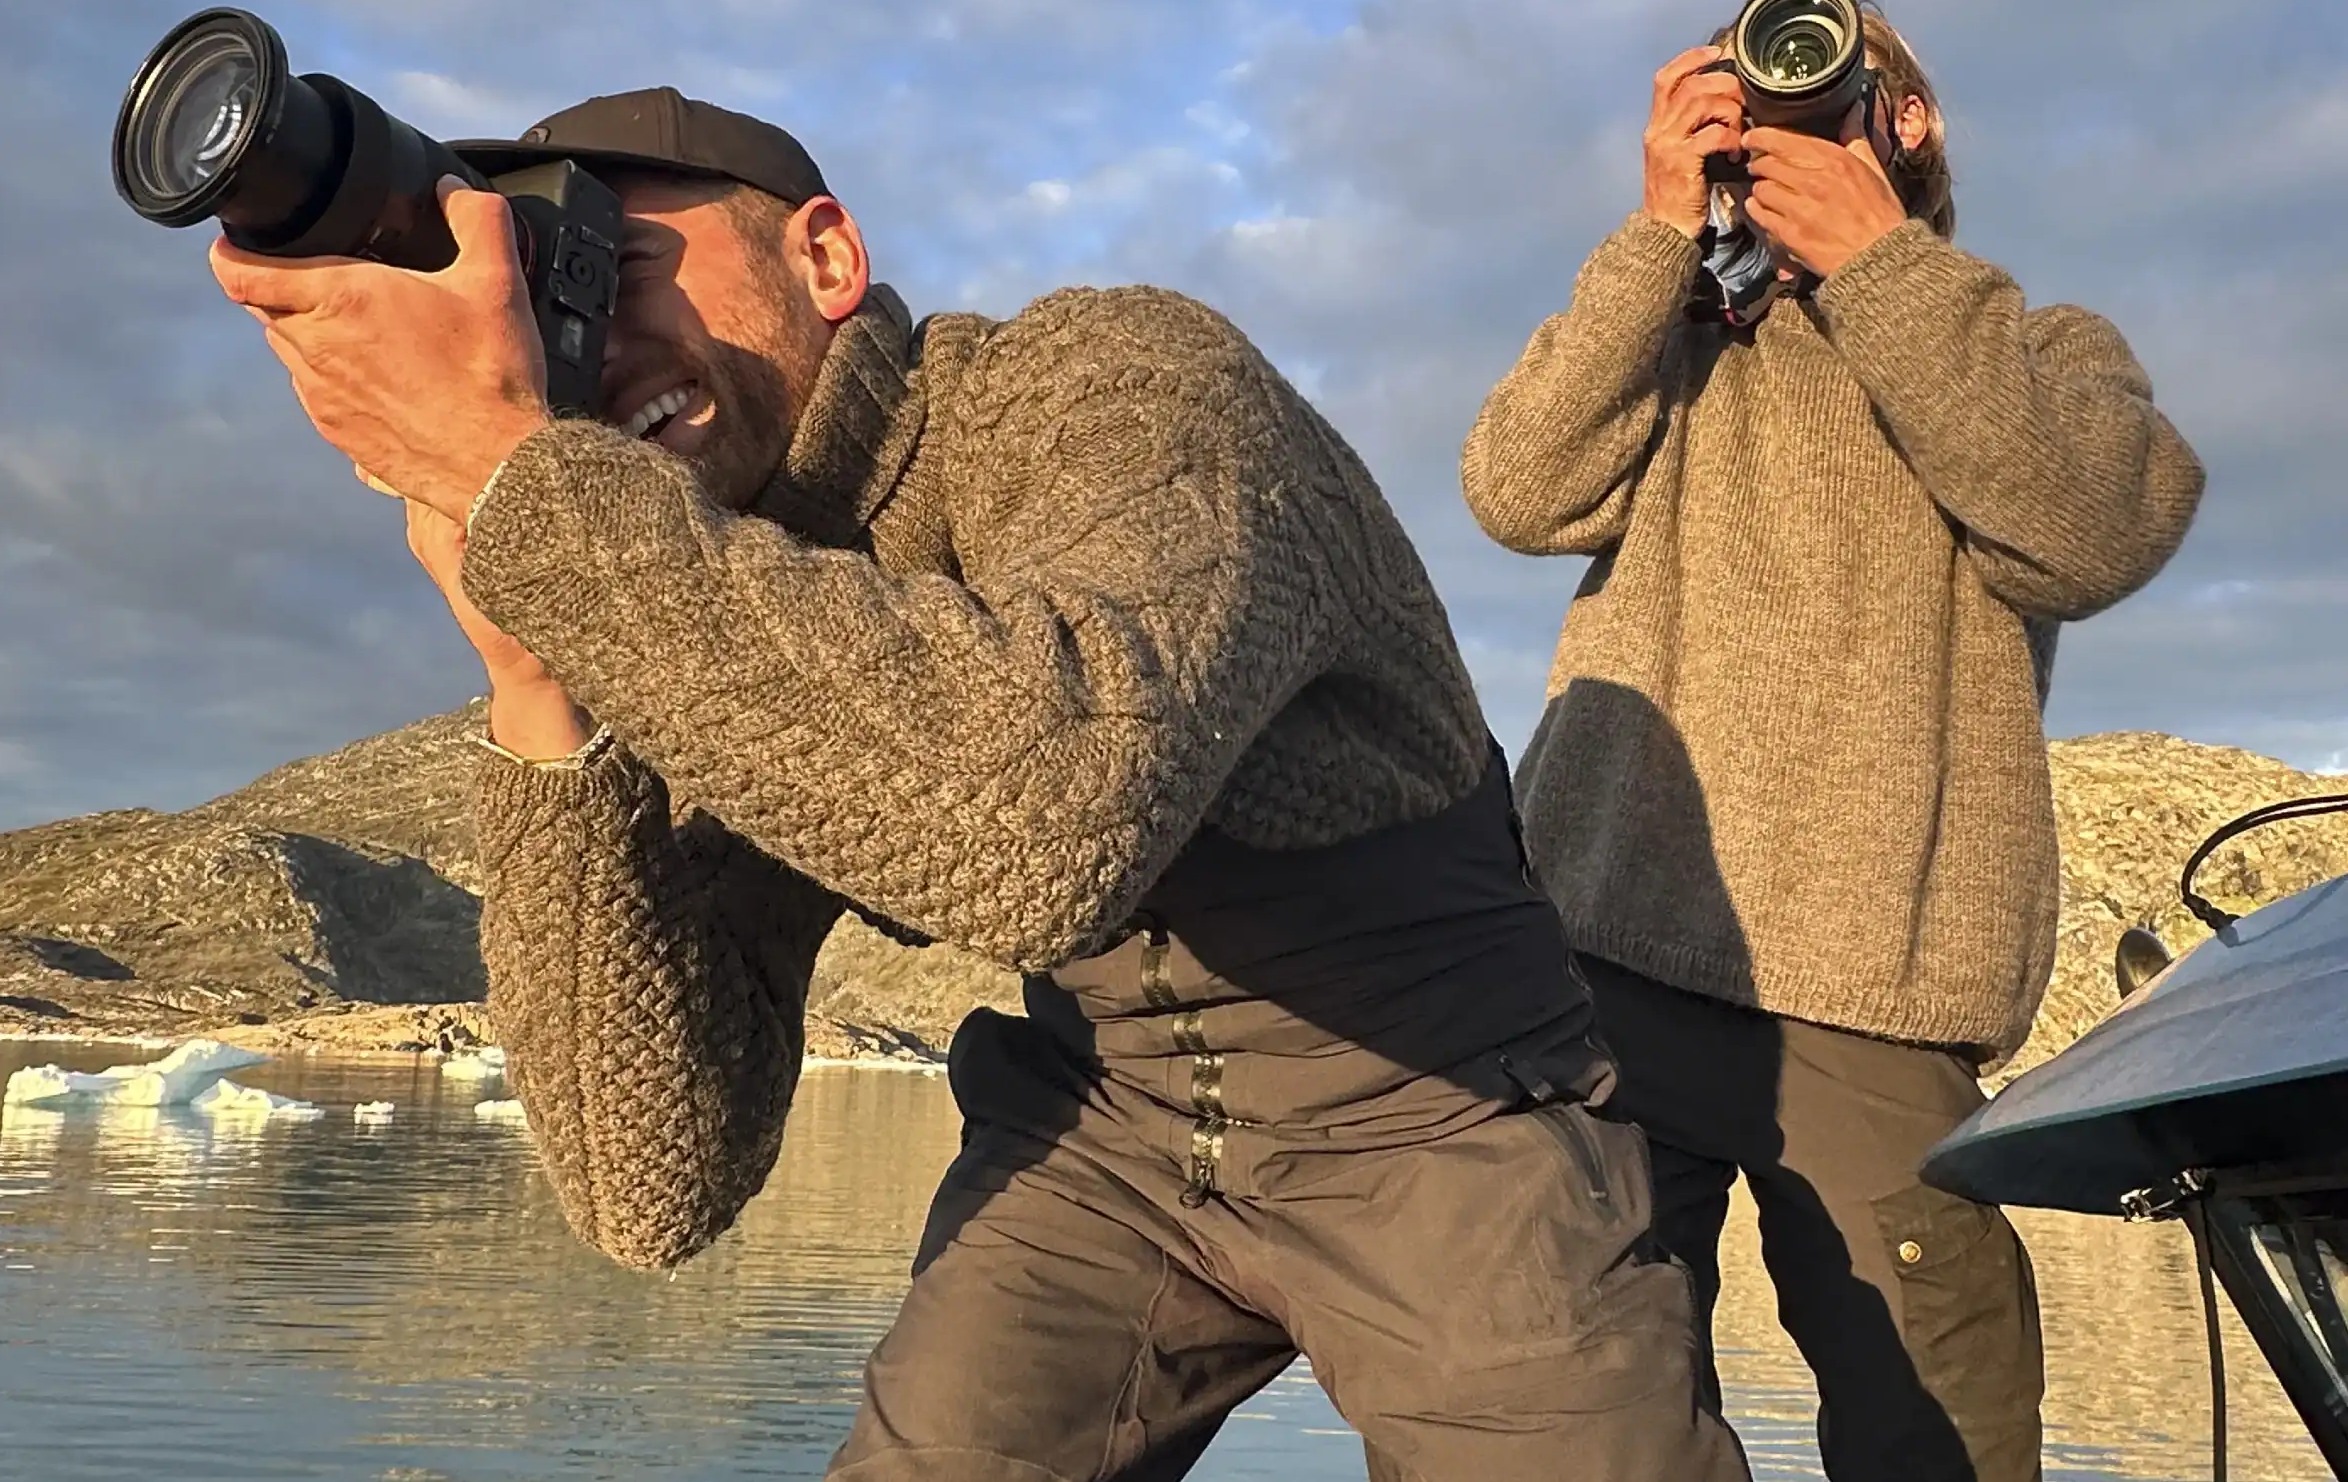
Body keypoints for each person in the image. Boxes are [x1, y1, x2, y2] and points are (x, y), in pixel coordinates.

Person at [206, 87, 1748, 1479]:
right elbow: (650, 1181)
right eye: (550, 316)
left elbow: (1041, 812)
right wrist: (536, 689)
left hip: (1444, 1111)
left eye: (618, 272)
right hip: (1112, 1128)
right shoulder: (713, 583)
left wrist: (523, 479)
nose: (589, 356)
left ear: (826, 259)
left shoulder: (1124, 379)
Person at [1460, 2, 2206, 1480]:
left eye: (1822, 84)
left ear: (1904, 120)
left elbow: (2099, 526)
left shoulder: (2039, 346)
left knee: (1939, 1440)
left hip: (1883, 990)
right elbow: (1516, 490)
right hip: (1599, 958)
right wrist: (1656, 232)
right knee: (1546, 1427)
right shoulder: (1665, 338)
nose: (1780, 123)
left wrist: (1880, 265)